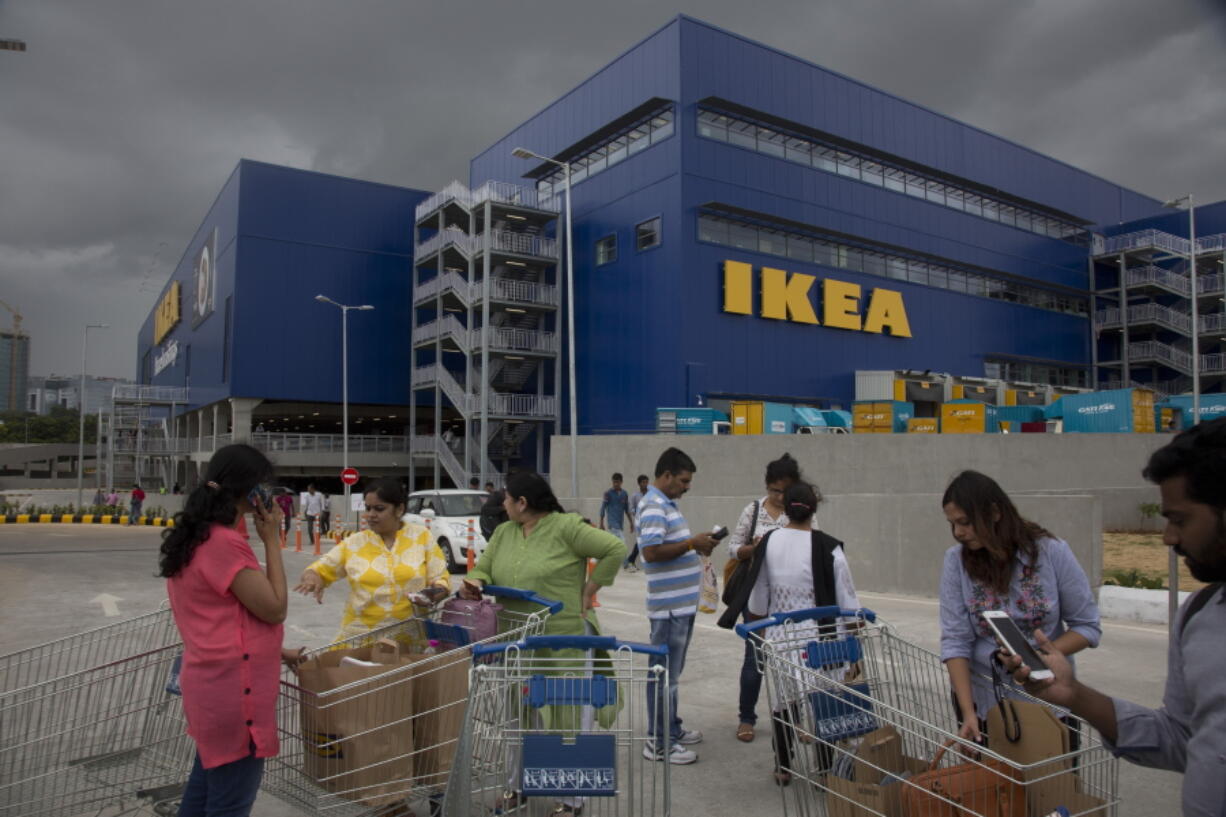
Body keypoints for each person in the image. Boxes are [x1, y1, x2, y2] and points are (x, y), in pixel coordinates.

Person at [1005, 419, 1226, 817]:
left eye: (1180, 520)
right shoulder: (1198, 615)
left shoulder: (1052, 551)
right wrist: (1075, 696)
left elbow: (1088, 624)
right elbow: (1181, 739)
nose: (1168, 538)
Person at [459, 471, 625, 816]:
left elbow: (614, 548)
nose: (502, 505)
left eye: (507, 499)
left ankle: (570, 799)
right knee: (517, 715)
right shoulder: (505, 532)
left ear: (523, 503)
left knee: (568, 717)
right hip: (516, 639)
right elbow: (485, 568)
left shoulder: (567, 527)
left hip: (564, 640)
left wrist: (590, 590)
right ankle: (517, 786)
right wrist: (475, 580)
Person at [158, 443, 297, 817]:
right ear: (249, 491)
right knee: (229, 804)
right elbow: (275, 609)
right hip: (235, 697)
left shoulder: (194, 538)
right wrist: (272, 541)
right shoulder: (224, 544)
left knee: (204, 793)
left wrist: (277, 652)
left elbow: (222, 617)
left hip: (211, 688)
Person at [939, 470, 1101, 747]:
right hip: (985, 705)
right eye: (952, 524)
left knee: (1052, 789)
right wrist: (968, 713)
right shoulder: (957, 562)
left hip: (1048, 701)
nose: (958, 533)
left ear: (994, 512)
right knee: (988, 790)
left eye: (965, 522)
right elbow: (955, 642)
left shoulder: (1052, 552)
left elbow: (1087, 626)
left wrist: (1037, 657)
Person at [737, 481, 860, 785]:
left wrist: (764, 630)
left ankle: (783, 766)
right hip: (824, 639)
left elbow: (758, 599)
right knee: (825, 703)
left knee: (784, 702)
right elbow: (848, 601)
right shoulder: (829, 547)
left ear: (786, 507)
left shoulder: (769, 542)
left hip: (782, 636)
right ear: (814, 508)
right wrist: (855, 642)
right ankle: (824, 771)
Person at [294, 478, 450, 644]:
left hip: (410, 642)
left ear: (399, 509)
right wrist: (312, 577)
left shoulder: (421, 537)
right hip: (360, 641)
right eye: (368, 508)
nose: (371, 515)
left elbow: (441, 580)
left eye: (379, 509)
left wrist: (430, 595)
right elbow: (319, 569)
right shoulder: (354, 543)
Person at [637, 447, 718, 765]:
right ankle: (659, 743)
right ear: (667, 476)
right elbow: (651, 552)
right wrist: (690, 544)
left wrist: (693, 543)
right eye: (683, 480)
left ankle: (671, 729)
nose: (687, 486)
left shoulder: (666, 504)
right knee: (663, 677)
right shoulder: (655, 505)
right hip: (669, 610)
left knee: (671, 674)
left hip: (679, 607)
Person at [724, 453, 813, 743]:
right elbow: (733, 548)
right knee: (755, 658)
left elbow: (814, 546)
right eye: (774, 490)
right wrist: (753, 548)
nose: (778, 497)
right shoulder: (752, 510)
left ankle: (796, 720)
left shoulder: (800, 511)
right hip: (756, 595)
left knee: (793, 659)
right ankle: (746, 717)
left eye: (784, 491)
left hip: (792, 598)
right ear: (766, 486)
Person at [598, 472, 634, 550]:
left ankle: (599, 558)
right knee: (622, 544)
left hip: (620, 524)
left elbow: (626, 509)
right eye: (614, 482)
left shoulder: (624, 494)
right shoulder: (608, 493)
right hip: (612, 524)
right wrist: (601, 523)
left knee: (613, 546)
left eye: (617, 482)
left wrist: (631, 522)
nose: (615, 484)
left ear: (621, 482)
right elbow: (603, 508)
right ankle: (625, 562)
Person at [624, 474, 650, 571]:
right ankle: (631, 560)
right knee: (642, 541)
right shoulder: (635, 496)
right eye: (643, 482)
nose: (646, 484)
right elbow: (631, 509)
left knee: (643, 541)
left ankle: (631, 560)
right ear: (639, 484)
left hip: (651, 520)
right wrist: (637, 513)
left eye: (647, 482)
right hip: (640, 522)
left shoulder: (651, 494)